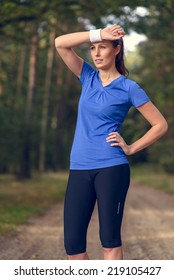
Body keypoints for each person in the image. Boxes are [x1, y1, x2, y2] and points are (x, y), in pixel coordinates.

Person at [55, 24, 168, 260]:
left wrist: (131, 147)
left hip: (111, 167)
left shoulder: (129, 87)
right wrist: (98, 34)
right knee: (73, 246)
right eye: (93, 48)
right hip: (79, 168)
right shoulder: (87, 77)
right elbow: (60, 43)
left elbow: (160, 125)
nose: (96, 53)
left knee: (110, 242)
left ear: (116, 50)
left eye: (103, 47)